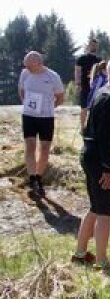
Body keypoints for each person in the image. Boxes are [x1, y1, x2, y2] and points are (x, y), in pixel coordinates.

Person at [74, 57, 110, 268]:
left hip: (91, 154)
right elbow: (107, 137)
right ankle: (101, 260)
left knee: (95, 207)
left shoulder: (102, 93)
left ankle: (80, 253)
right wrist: (108, 167)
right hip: (98, 158)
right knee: (104, 211)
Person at [19, 51, 65, 197]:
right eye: (26, 65)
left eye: (29, 66)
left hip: (46, 117)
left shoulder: (53, 76)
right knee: (30, 146)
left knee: (45, 148)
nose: (27, 68)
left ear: (39, 63)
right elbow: (21, 91)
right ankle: (32, 178)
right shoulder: (25, 74)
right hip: (29, 116)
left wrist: (49, 107)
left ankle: (39, 177)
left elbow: (60, 97)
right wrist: (27, 104)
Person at [75, 39, 101, 131]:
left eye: (95, 45)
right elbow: (77, 72)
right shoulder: (81, 58)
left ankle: (92, 128)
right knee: (84, 108)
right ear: (88, 46)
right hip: (85, 86)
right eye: (92, 45)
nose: (94, 47)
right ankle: (82, 128)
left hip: (96, 88)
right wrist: (78, 84)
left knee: (95, 109)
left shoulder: (99, 60)